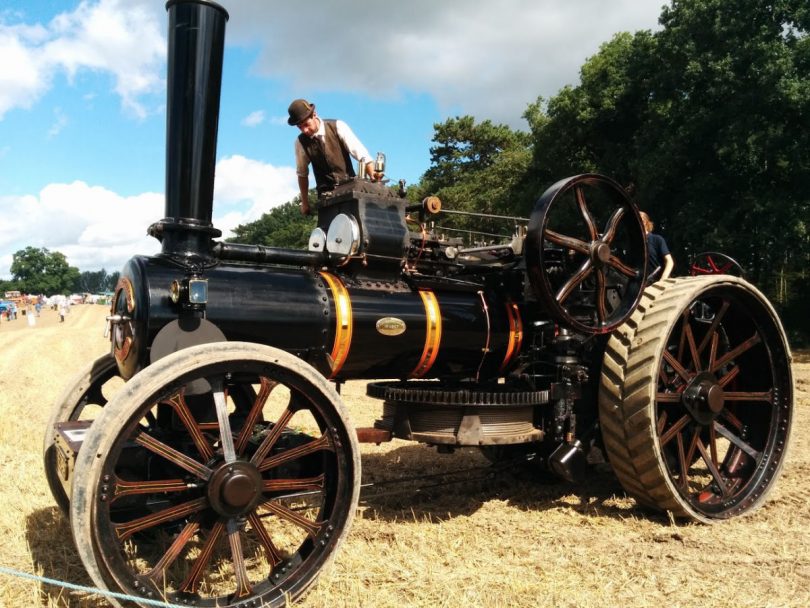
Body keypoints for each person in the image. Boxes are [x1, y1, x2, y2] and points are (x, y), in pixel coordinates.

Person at [287, 98, 379, 216]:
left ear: (314, 115)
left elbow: (363, 155)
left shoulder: (338, 127)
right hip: (326, 199)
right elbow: (302, 174)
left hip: (350, 192)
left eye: (306, 124)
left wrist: (373, 178)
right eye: (300, 127)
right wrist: (305, 203)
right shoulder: (300, 143)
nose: (305, 130)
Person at [640, 211, 674, 283]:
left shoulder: (657, 239)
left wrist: (663, 280)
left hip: (656, 285)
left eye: (641, 221)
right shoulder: (635, 244)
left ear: (646, 222)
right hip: (640, 287)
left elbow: (669, 261)